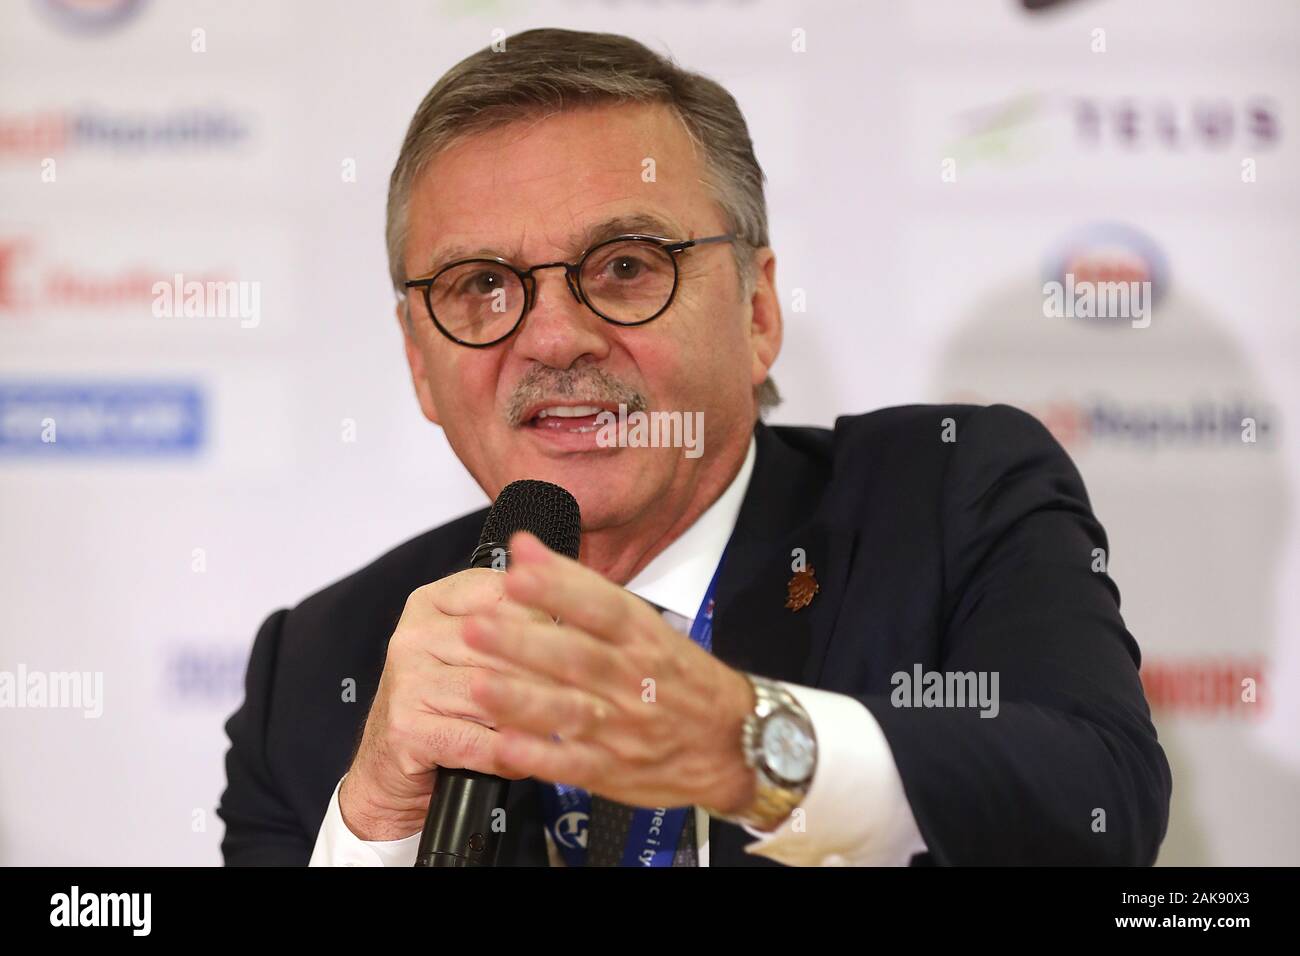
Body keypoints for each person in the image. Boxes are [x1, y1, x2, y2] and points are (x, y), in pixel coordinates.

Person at [217, 28, 1171, 867]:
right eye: (481, 285)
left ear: (757, 312)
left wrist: (751, 746)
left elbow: (1099, 808)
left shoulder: (946, 501)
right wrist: (380, 821)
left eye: (627, 266)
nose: (553, 339)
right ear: (420, 365)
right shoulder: (319, 669)